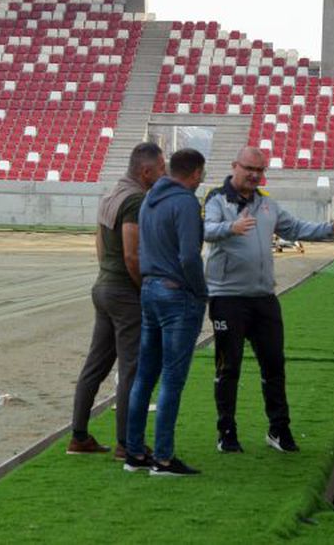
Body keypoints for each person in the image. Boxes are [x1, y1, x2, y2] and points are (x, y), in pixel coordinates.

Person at [202, 146, 334, 454]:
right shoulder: (217, 200)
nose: (254, 175)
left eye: (259, 170)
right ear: (235, 166)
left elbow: (296, 228)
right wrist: (230, 227)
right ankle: (226, 431)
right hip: (228, 298)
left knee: (274, 364)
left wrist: (331, 228)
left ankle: (278, 429)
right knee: (228, 368)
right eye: (249, 168)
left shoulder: (267, 204)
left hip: (264, 298)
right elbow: (206, 230)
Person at [67, 142, 166, 458]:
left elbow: (99, 244)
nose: (164, 174)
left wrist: (108, 275)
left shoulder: (111, 195)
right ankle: (127, 442)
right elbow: (131, 254)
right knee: (131, 369)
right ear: (146, 171)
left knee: (95, 365)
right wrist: (143, 289)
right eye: (161, 168)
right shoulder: (135, 200)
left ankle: (79, 436)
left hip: (104, 286)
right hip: (124, 293)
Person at [123, 147, 208, 477]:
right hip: (176, 293)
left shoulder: (149, 200)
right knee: (172, 378)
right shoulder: (185, 203)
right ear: (196, 173)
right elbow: (189, 256)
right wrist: (200, 291)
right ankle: (163, 458)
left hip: (149, 289)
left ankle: (134, 452)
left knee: (145, 374)